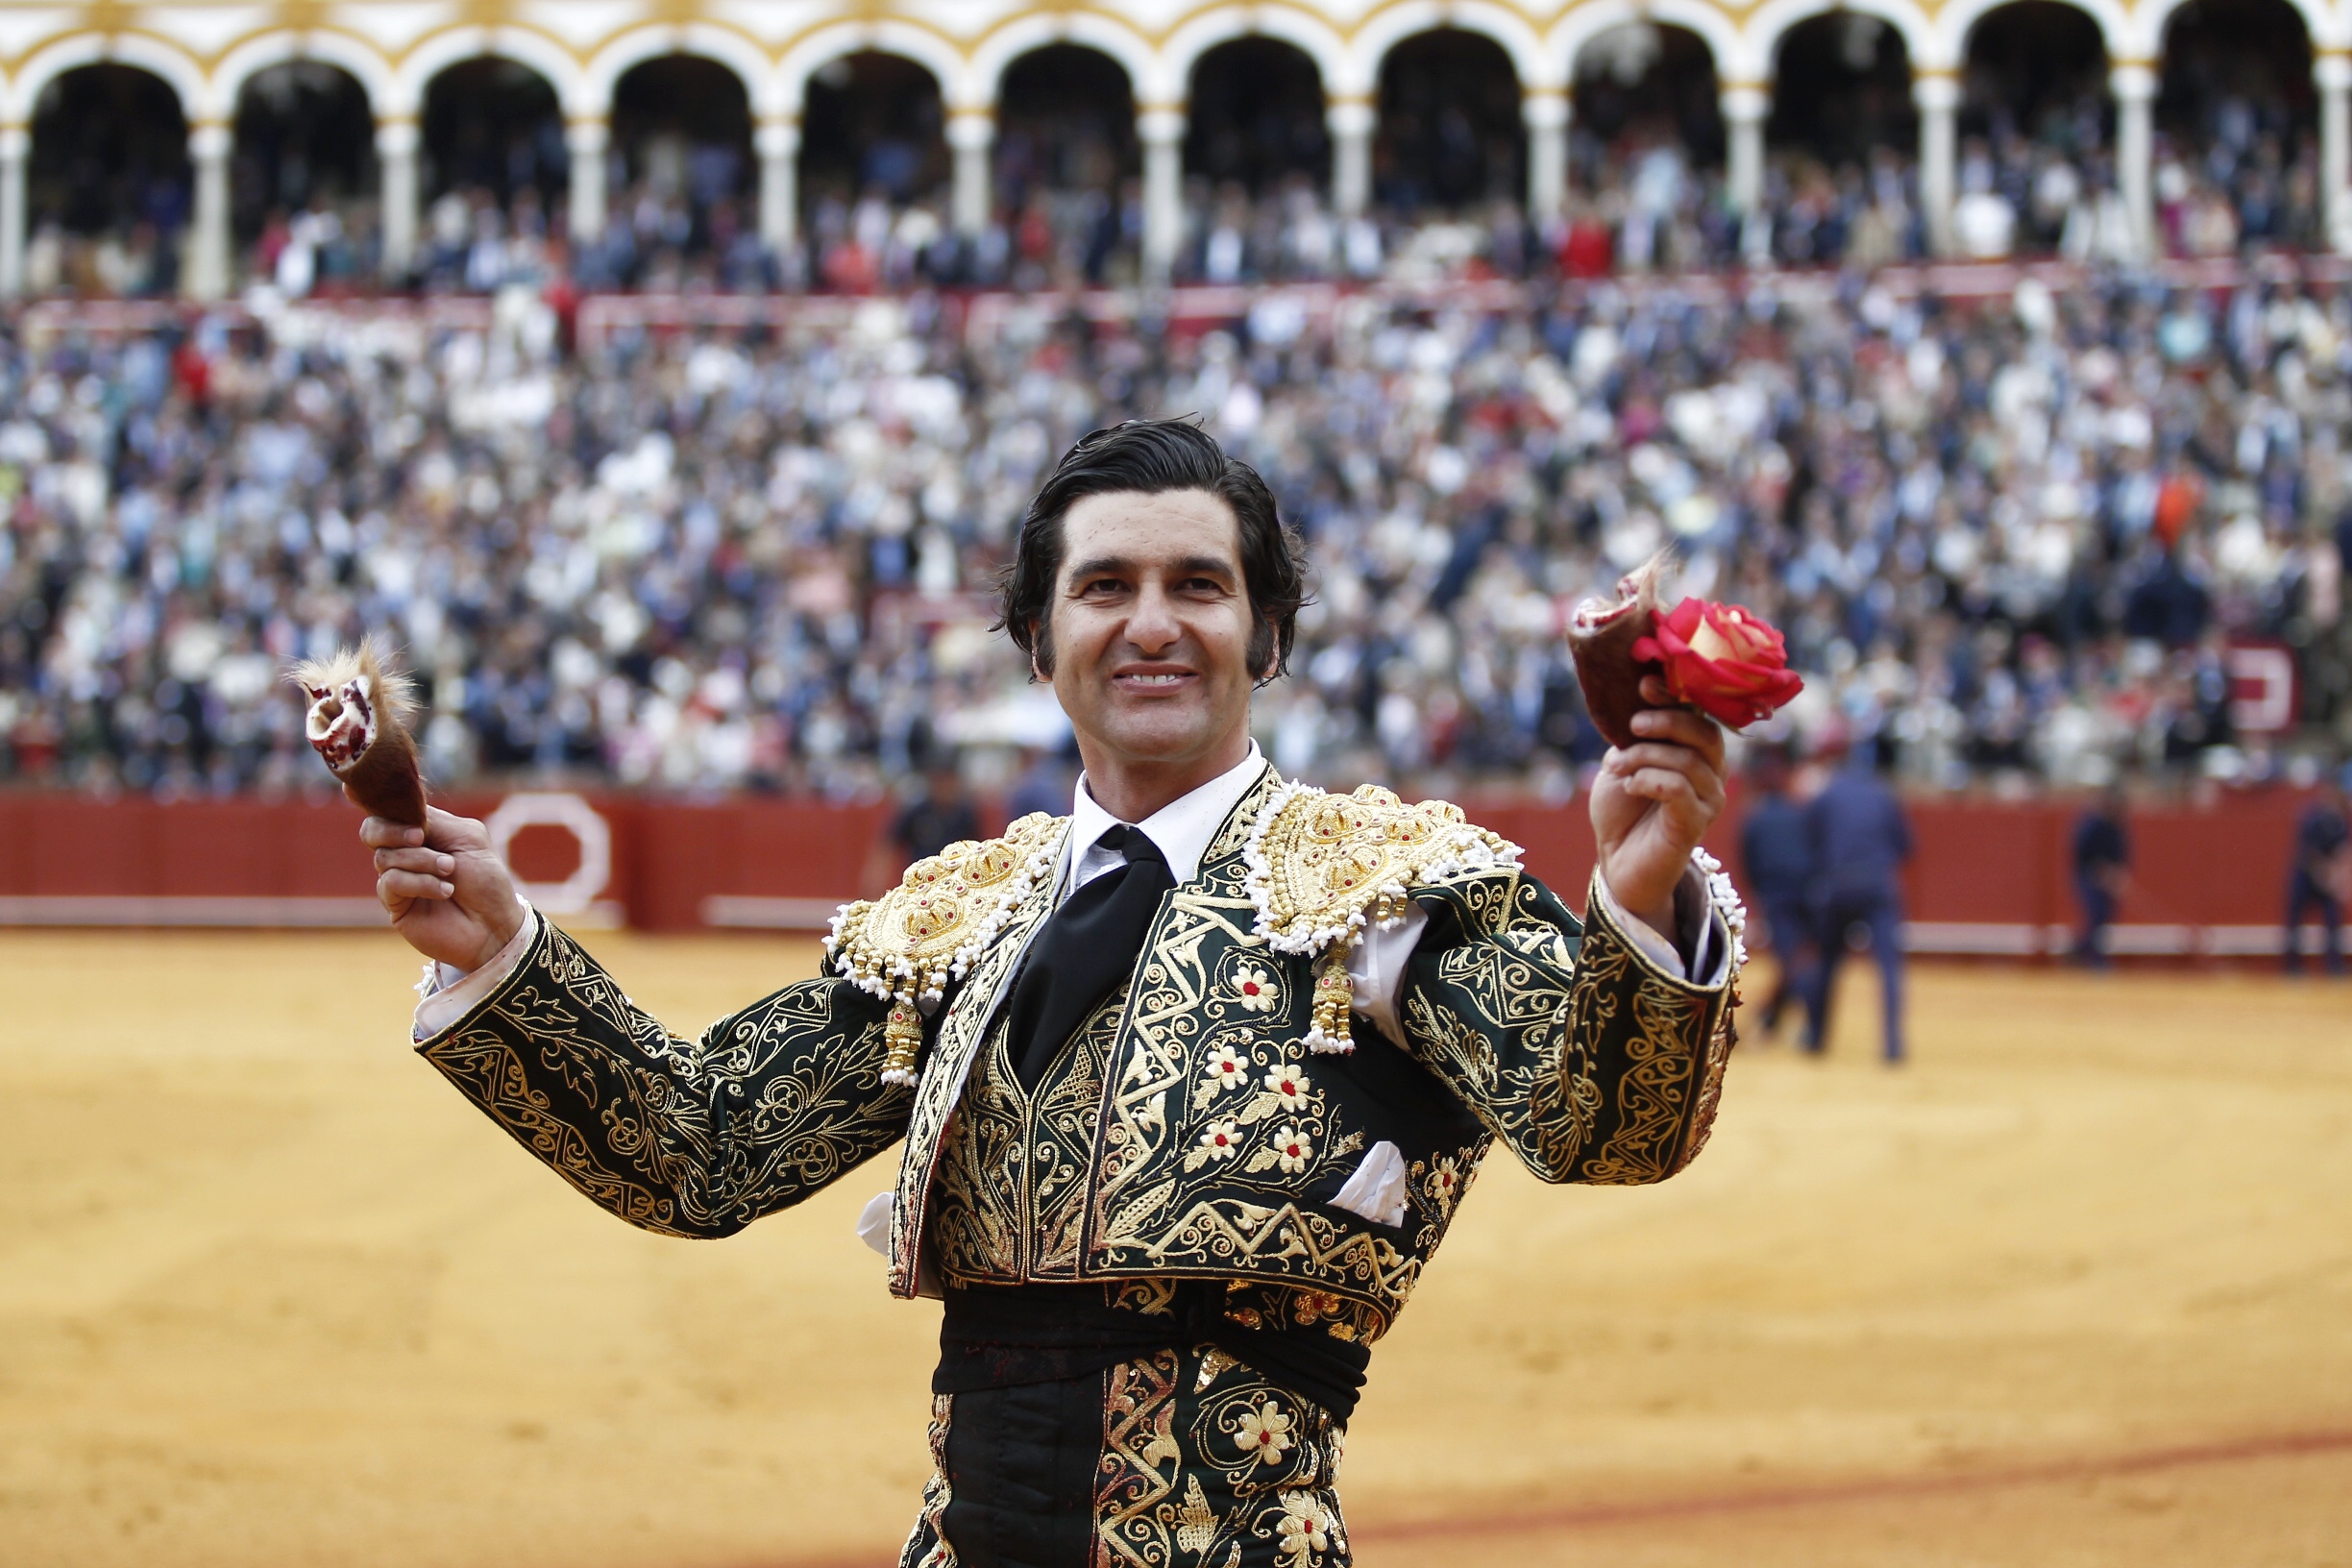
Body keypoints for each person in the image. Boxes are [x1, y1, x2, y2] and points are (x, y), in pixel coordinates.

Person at [356, 420, 1743, 1566]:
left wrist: (1637, 901)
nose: (1153, 624)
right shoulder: (960, 918)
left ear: (1266, 639)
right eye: (1106, 588)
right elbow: (703, 1145)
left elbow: (1602, 1126)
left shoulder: (1383, 886)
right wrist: (500, 952)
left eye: (1200, 587)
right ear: (1039, 640)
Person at [1802, 735, 1913, 1063]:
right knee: (1890, 967)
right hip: (1878, 885)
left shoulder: (1827, 795)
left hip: (1837, 884)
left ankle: (1817, 1038)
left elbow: (1811, 843)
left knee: (1828, 963)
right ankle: (1893, 1044)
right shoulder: (1883, 794)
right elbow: (1906, 845)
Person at [1738, 743, 1815, 1037]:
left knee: (1791, 960)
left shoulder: (1755, 817)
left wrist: (1760, 894)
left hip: (1776, 894)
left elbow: (1749, 862)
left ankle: (1809, 1027)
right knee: (1796, 958)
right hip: (1806, 892)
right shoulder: (1800, 813)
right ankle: (1772, 1020)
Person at [2284, 771, 2350, 976]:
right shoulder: (2311, 817)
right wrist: (2325, 871)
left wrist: (2338, 877)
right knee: (2295, 922)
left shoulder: (2340, 821)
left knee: (2332, 921)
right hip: (2304, 876)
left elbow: (2343, 850)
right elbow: (2306, 850)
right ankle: (2293, 967)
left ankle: (2334, 966)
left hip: (2326, 878)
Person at [2071, 783, 2132, 968]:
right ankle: (2094, 958)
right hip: (2088, 877)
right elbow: (2081, 852)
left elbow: (2122, 853)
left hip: (2107, 879)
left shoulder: (2116, 826)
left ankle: (2079, 951)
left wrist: (2116, 874)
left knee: (2103, 917)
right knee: (2096, 915)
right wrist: (2099, 869)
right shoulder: (2092, 824)